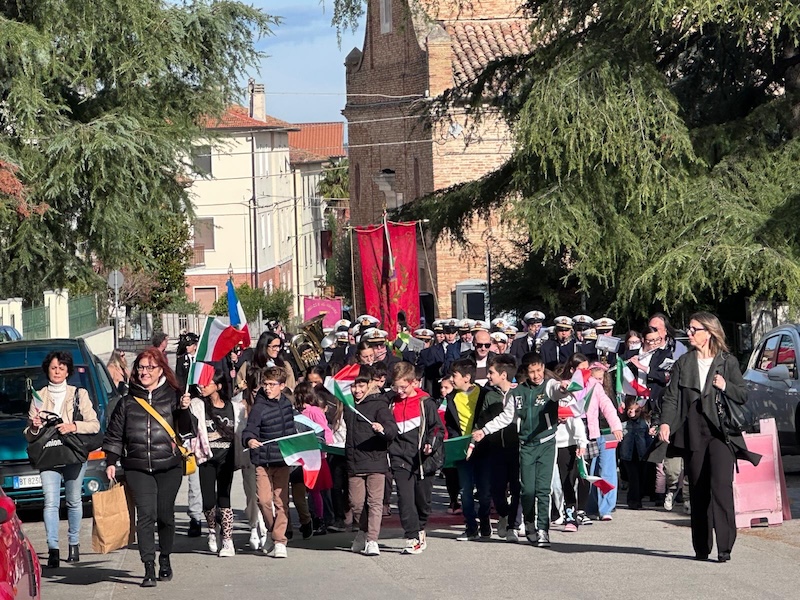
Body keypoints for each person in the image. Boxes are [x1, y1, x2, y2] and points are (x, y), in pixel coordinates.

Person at [653, 312, 760, 563]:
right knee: (698, 489)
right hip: (693, 430)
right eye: (689, 329)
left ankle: (725, 547)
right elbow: (671, 397)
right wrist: (665, 422)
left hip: (721, 432)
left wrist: (725, 386)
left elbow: (743, 394)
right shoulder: (684, 362)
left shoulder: (727, 362)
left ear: (709, 332)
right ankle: (701, 547)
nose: (689, 333)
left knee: (721, 487)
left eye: (694, 329)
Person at [103, 348, 192, 587]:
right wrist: (110, 461)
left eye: (150, 367)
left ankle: (165, 557)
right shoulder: (127, 401)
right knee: (146, 515)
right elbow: (115, 435)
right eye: (141, 367)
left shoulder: (174, 396)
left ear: (161, 369)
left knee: (165, 515)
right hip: (137, 466)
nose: (144, 372)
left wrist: (184, 409)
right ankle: (149, 567)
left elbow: (186, 431)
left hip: (169, 466)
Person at [472, 353, 569, 547]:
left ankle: (543, 530)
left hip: (547, 444)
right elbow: (506, 417)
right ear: (525, 372)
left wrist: (563, 388)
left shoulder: (549, 386)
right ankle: (530, 524)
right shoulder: (517, 393)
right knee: (527, 490)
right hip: (526, 446)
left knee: (543, 489)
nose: (536, 375)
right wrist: (484, 430)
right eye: (532, 372)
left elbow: (558, 391)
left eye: (539, 370)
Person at [25, 351, 100, 568]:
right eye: (53, 368)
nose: (57, 371)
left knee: (74, 500)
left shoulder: (79, 394)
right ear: (47, 370)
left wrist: (73, 426)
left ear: (68, 371)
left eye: (61, 368)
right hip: (49, 454)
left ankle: (74, 544)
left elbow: (94, 424)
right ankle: (53, 549)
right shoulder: (39, 396)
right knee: (50, 502)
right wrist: (34, 427)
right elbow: (29, 434)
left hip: (73, 453)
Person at [189, 367, 245, 557]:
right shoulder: (197, 405)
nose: (203, 386)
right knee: (208, 500)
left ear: (219, 386)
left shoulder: (235, 408)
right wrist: (183, 404)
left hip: (226, 458)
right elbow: (186, 422)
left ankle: (228, 539)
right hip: (206, 458)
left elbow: (242, 430)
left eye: (208, 383)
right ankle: (212, 530)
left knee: (224, 497)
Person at [388, 362, 443, 554]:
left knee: (422, 501)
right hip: (399, 457)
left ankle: (420, 528)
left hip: (422, 460)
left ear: (414, 383)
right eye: (396, 387)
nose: (399, 391)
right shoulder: (391, 402)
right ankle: (412, 537)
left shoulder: (426, 402)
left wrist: (430, 444)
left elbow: (437, 429)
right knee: (405, 498)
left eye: (403, 387)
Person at [242, 366, 297, 559]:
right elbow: (249, 429)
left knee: (281, 502)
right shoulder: (258, 407)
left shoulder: (287, 405)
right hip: (262, 461)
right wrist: (249, 440)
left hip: (282, 460)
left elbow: (291, 430)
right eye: (265, 384)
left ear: (282, 386)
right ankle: (272, 531)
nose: (267, 388)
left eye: (272, 384)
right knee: (264, 501)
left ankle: (280, 541)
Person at [346, 365, 398, 556]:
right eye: (354, 386)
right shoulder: (348, 405)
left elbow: (392, 429)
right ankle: (363, 531)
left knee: (375, 503)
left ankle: (372, 540)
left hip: (376, 462)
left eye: (361, 386)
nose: (357, 390)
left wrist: (382, 429)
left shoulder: (379, 404)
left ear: (370, 385)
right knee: (356, 504)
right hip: (354, 463)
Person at [444, 358, 491, 541]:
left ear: (467, 377)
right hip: (462, 450)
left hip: (482, 448)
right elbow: (450, 423)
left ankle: (485, 521)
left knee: (484, 491)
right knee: (465, 490)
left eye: (454, 376)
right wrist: (455, 441)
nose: (451, 379)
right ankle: (471, 526)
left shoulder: (484, 394)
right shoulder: (451, 397)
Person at [584, 361, 624, 521]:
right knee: (592, 471)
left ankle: (606, 507)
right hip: (592, 435)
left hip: (608, 433)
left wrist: (616, 427)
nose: (599, 381)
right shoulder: (585, 389)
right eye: (596, 378)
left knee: (607, 471)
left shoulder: (608, 392)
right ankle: (592, 506)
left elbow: (610, 409)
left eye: (601, 378)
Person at [620, 397, 654, 509]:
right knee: (633, 477)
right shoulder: (623, 423)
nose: (632, 413)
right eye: (630, 410)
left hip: (641, 454)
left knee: (641, 477)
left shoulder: (645, 423)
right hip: (627, 455)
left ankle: (638, 499)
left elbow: (648, 439)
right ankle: (633, 500)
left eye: (636, 411)